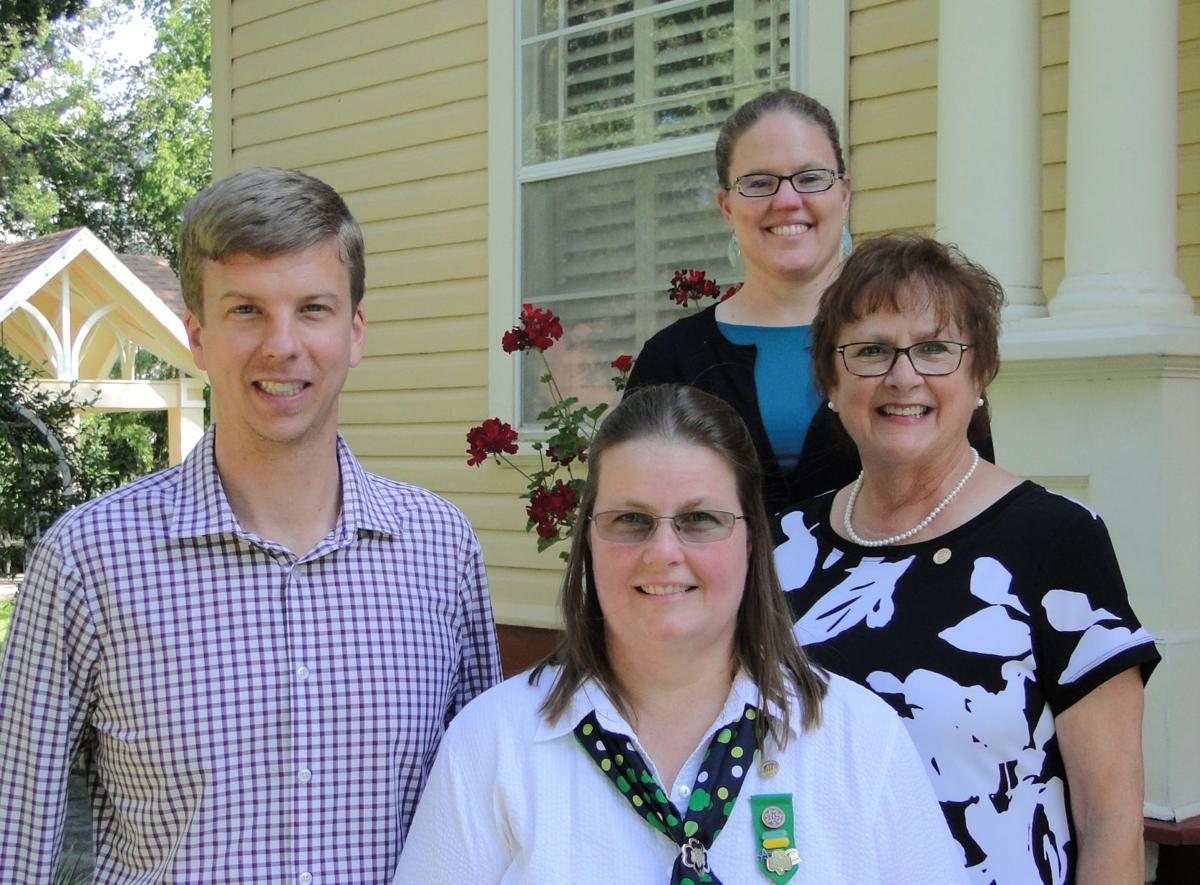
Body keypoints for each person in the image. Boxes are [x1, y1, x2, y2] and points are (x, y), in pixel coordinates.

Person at [0, 167, 501, 881]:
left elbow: (488, 812)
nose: (282, 344)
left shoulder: (440, 549)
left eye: (313, 309)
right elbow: (13, 836)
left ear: (355, 332)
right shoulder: (88, 561)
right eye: (246, 311)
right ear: (196, 336)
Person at [394, 384, 966, 883]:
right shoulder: (493, 745)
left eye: (699, 520)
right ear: (589, 541)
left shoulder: (858, 739)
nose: (663, 552)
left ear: (750, 540)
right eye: (630, 520)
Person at [774, 234, 1160, 884]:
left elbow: (1111, 821)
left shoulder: (1056, 541)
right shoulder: (782, 546)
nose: (904, 375)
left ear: (979, 375)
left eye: (934, 348)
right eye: (871, 350)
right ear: (831, 382)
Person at [625, 89, 994, 515]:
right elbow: (633, 511)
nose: (787, 200)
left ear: (844, 192)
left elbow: (975, 496)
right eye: (759, 182)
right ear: (726, 206)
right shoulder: (671, 359)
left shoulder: (925, 342)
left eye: (811, 177)